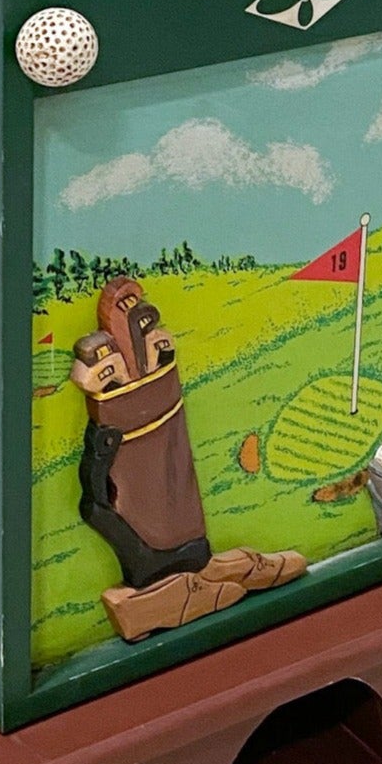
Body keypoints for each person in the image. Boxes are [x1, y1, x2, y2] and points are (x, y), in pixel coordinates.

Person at [73, 275, 305, 642]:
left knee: (174, 471)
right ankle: (173, 592)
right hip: (149, 558)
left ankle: (211, 570)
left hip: (192, 546)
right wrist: (102, 447)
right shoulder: (111, 423)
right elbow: (94, 504)